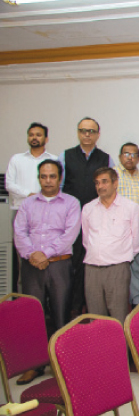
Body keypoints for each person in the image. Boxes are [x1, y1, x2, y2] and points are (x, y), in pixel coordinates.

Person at [13, 159, 80, 385]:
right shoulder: (28, 203)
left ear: (59, 179)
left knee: (61, 315)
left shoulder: (71, 203)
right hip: (32, 266)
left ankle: (62, 366)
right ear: (39, 178)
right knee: (32, 317)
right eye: (43, 176)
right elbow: (20, 231)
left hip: (59, 264)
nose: (48, 180)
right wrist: (33, 254)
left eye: (52, 176)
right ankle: (35, 366)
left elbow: (69, 234)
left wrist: (45, 254)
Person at [60, 117, 115, 316]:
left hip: (98, 218)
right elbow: (60, 188)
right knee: (72, 264)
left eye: (91, 131)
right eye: (83, 130)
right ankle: (72, 307)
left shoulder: (106, 159)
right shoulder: (65, 156)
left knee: (92, 262)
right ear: (78, 132)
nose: (87, 134)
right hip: (71, 219)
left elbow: (111, 189)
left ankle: (92, 307)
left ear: (98, 134)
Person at [81, 167, 139, 323]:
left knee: (118, 317)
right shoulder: (88, 208)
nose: (100, 186)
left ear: (115, 183)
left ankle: (121, 348)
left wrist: (121, 257)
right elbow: (86, 240)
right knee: (95, 319)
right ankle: (100, 348)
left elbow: (137, 242)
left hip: (118, 269)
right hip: (92, 269)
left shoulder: (131, 208)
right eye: (97, 183)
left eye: (104, 182)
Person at [6, 123, 57, 296]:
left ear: (46, 138)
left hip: (49, 213)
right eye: (31, 135)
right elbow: (9, 184)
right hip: (21, 211)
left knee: (47, 257)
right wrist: (30, 194)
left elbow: (59, 186)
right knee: (24, 262)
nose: (34, 138)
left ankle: (47, 303)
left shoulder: (54, 160)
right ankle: (24, 302)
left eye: (38, 135)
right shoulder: (17, 159)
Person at [115, 142, 139, 306]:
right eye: (126, 154)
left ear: (138, 158)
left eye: (133, 154)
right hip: (118, 231)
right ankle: (118, 303)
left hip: (138, 230)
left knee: (138, 267)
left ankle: (137, 301)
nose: (130, 157)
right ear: (120, 156)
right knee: (119, 270)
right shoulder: (113, 175)